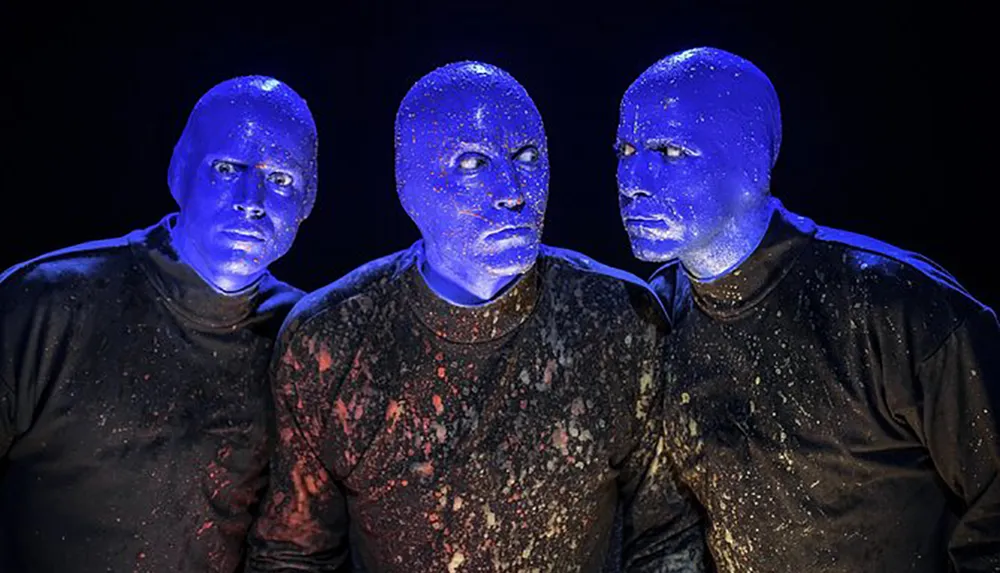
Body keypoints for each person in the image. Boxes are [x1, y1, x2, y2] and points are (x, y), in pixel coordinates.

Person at [247, 61, 706, 572]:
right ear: (409, 184)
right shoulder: (331, 339)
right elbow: (294, 554)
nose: (513, 189)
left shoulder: (617, 318)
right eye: (473, 164)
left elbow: (666, 537)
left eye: (527, 156)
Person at [615, 46, 1000, 572]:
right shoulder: (656, 316)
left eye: (670, 152)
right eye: (625, 150)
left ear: (752, 159)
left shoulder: (891, 305)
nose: (633, 180)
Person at [0, 75, 318, 572]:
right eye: (228, 167)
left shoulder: (307, 342)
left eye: (281, 179)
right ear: (180, 172)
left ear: (308, 202)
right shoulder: (46, 301)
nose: (252, 198)